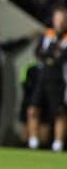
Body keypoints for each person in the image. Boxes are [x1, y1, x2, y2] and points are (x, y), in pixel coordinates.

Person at [28, 8, 67, 152]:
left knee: (59, 112)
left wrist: (50, 54)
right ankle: (33, 141)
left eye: (62, 20)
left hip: (59, 81)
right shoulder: (47, 34)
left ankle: (58, 144)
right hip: (42, 78)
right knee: (32, 109)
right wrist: (51, 54)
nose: (60, 23)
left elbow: (61, 57)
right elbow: (38, 52)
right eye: (57, 19)